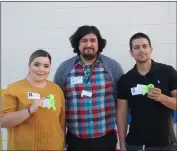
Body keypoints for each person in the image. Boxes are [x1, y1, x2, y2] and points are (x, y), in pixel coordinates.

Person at [54, 25, 124, 151]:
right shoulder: (64, 69)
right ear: (78, 44)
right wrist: (61, 141)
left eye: (93, 40)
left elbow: (121, 104)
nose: (89, 44)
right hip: (75, 140)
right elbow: (58, 107)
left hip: (105, 140)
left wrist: (123, 143)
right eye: (84, 41)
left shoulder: (113, 67)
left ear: (98, 43)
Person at [117, 32, 177, 151]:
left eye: (144, 46)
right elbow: (122, 114)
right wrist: (122, 144)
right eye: (136, 47)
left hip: (166, 144)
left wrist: (161, 97)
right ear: (131, 53)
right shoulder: (125, 80)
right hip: (136, 144)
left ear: (151, 49)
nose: (141, 50)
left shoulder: (168, 72)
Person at [1, 49, 65, 150]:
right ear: (29, 66)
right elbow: (3, 122)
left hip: (53, 147)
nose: (41, 70)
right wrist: (29, 110)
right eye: (37, 65)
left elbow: (61, 122)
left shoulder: (56, 90)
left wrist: (63, 144)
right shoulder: (14, 89)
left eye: (46, 66)